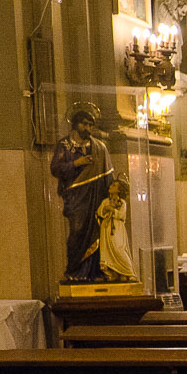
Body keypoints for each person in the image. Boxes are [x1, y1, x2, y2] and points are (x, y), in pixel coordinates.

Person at [50, 102, 113, 283]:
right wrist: (77, 163)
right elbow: (56, 169)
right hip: (75, 197)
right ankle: (75, 271)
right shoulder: (64, 145)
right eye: (84, 124)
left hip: (96, 196)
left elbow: (107, 174)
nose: (88, 128)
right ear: (75, 124)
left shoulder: (99, 147)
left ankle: (95, 272)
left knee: (97, 232)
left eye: (90, 125)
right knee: (77, 232)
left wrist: (112, 197)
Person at [96, 174, 136, 281]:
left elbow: (121, 214)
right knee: (107, 250)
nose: (110, 186)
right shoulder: (105, 201)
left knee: (118, 248)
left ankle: (129, 271)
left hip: (117, 228)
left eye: (114, 185)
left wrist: (112, 210)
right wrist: (105, 210)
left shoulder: (122, 203)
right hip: (106, 228)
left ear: (119, 190)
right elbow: (99, 212)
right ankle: (113, 272)